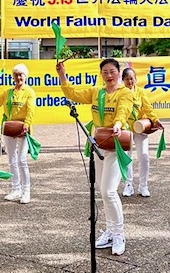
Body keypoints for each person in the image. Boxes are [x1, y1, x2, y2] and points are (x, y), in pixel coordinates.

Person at [56, 58, 132, 256]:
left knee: (109, 191)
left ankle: (119, 234)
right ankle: (110, 229)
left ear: (118, 73)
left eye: (112, 71)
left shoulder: (124, 93)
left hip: (115, 144)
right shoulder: (96, 92)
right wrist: (62, 75)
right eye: (105, 72)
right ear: (101, 74)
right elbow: (72, 93)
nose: (109, 75)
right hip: (98, 144)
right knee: (101, 189)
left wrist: (118, 123)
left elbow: (124, 110)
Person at [0, 64, 35, 204]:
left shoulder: (29, 92)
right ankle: (15, 188)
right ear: (12, 77)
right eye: (16, 75)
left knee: (22, 160)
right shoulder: (8, 92)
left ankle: (26, 191)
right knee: (12, 160)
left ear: (25, 76)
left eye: (21, 75)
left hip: (23, 129)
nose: (18, 77)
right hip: (8, 128)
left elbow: (31, 110)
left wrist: (27, 124)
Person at [120, 67, 163, 198]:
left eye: (131, 78)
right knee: (127, 157)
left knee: (144, 156)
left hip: (140, 127)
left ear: (136, 79)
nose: (129, 81)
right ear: (122, 80)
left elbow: (148, 108)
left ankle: (143, 185)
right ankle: (128, 185)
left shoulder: (141, 92)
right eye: (126, 79)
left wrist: (155, 120)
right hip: (126, 128)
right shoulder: (120, 93)